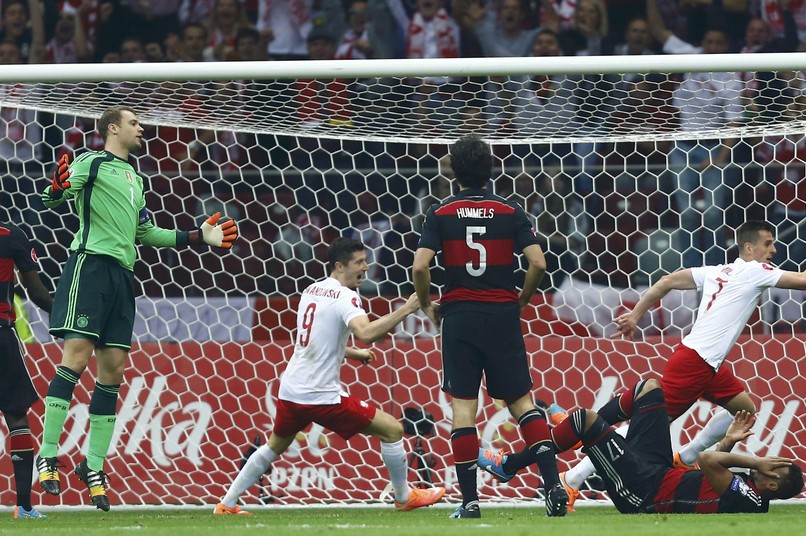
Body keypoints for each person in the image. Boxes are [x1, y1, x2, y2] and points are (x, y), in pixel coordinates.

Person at [482, 220, 806, 510]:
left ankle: (681, 453)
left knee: (743, 410)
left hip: (707, 363)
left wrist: (636, 313)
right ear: (749, 248)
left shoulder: (718, 271)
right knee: (638, 433)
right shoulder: (757, 271)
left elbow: (666, 282)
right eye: (768, 243)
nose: (774, 249)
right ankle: (570, 480)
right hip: (695, 363)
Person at [35, 105, 239, 512]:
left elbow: (145, 231)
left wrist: (198, 236)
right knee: (74, 360)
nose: (141, 128)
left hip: (121, 276)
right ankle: (47, 454)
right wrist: (56, 189)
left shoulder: (136, 177)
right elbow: (54, 197)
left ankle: (92, 466)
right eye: (133, 122)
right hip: (89, 266)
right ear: (113, 128)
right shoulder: (90, 161)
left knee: (113, 371)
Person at [215, 237, 445, 514]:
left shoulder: (312, 289)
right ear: (339, 266)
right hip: (320, 395)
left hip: (291, 389)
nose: (366, 266)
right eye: (359, 262)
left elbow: (314, 340)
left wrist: (349, 352)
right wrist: (408, 308)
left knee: (274, 445)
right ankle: (403, 496)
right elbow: (367, 333)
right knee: (393, 429)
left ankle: (227, 504)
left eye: (365, 260)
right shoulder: (347, 296)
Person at [411, 134, 568, 519]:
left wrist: (430, 306)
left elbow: (419, 266)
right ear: (490, 169)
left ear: (453, 170)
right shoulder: (510, 210)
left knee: (463, 409)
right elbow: (539, 263)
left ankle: (470, 503)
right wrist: (522, 300)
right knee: (524, 405)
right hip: (501, 316)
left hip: (460, 317)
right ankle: (553, 488)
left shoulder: (441, 212)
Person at [487, 378, 805, 513]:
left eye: (773, 465)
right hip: (658, 471)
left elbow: (709, 460)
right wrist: (731, 441)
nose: (768, 460)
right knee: (650, 389)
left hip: (641, 492)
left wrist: (753, 462)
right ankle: (578, 433)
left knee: (584, 419)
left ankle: (511, 465)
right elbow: (711, 471)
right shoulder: (746, 487)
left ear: (773, 483)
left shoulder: (750, 500)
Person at [1, 219, 53, 519]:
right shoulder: (12, 236)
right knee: (17, 416)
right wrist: (67, 314)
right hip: (1, 336)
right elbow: (36, 292)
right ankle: (23, 506)